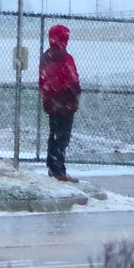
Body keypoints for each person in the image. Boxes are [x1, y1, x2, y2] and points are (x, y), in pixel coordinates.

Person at [38, 23, 81, 183]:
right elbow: (72, 80)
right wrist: (75, 94)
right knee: (62, 138)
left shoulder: (46, 57)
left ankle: (52, 167)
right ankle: (59, 170)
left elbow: (43, 81)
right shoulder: (65, 58)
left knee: (54, 135)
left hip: (52, 102)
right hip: (65, 103)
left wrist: (48, 95)